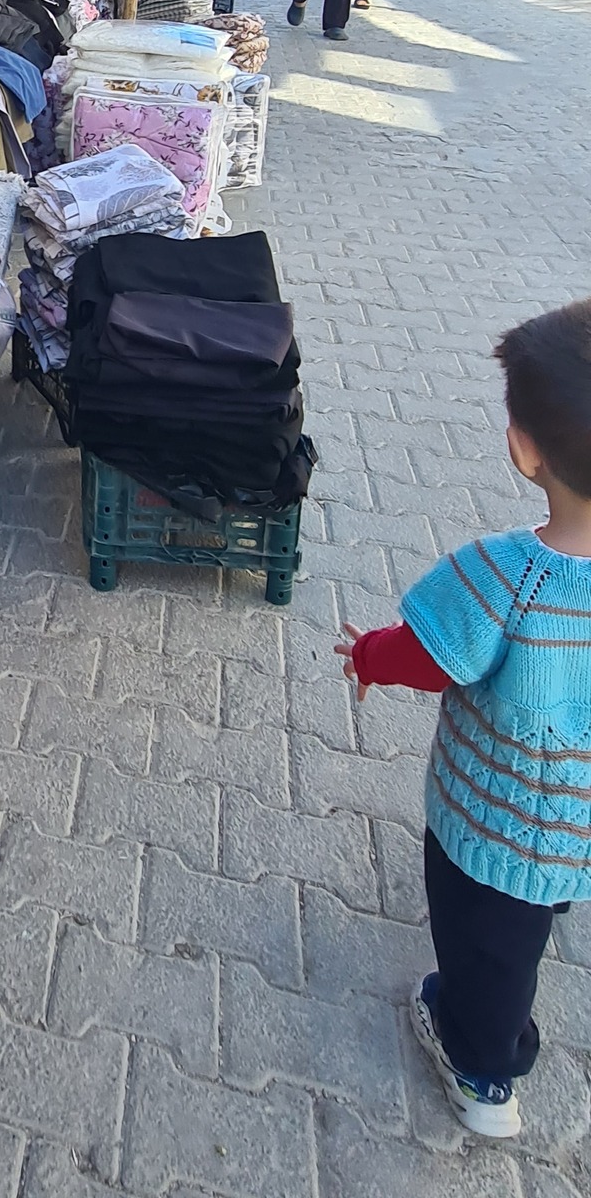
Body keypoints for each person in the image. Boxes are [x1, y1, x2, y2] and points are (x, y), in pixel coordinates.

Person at [335, 300, 591, 1140]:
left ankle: (484, 1074)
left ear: (523, 446)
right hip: (575, 827)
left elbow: (432, 652)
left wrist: (369, 655)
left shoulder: (508, 576)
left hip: (492, 825)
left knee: (487, 949)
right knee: (529, 921)